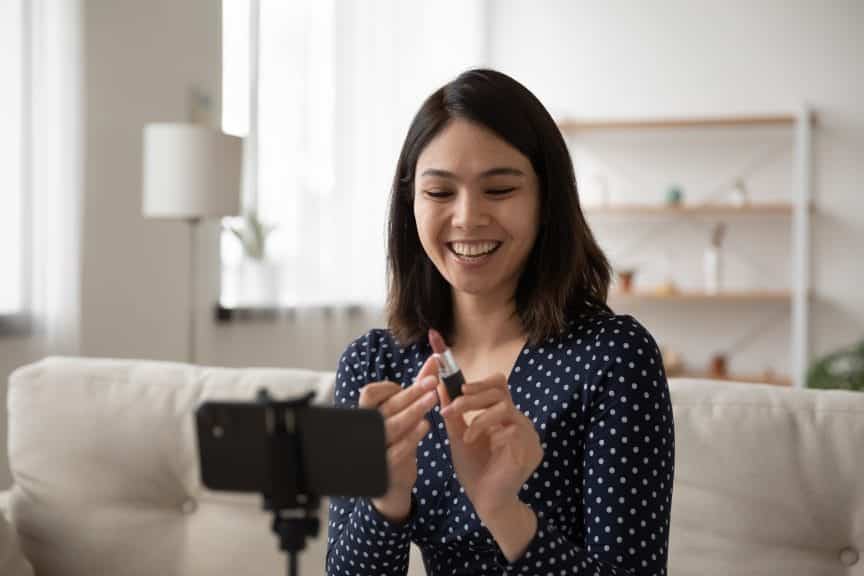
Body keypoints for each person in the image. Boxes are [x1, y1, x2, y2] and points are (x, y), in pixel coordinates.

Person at [326, 68, 675, 575]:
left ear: (544, 200)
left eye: (500, 190)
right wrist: (387, 500)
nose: (467, 217)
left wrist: (503, 511)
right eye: (440, 193)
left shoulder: (613, 358)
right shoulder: (372, 365)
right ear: (412, 204)